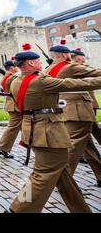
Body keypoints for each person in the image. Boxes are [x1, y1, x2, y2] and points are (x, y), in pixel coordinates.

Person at [7, 43, 101, 213]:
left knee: (63, 175)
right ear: (30, 64)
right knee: (41, 176)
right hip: (48, 134)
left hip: (33, 131)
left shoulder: (15, 81)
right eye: (38, 61)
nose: (41, 64)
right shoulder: (40, 81)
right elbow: (74, 84)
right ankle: (17, 208)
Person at [44, 40, 101, 185]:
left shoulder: (48, 69)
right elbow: (95, 73)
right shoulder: (70, 67)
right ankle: (62, 179)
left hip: (64, 110)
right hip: (79, 110)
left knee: (88, 145)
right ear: (65, 54)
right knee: (74, 146)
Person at [70, 48, 101, 187]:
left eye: (83, 61)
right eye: (79, 61)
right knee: (87, 142)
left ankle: (64, 179)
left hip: (87, 106)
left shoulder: (80, 69)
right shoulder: (70, 69)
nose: (82, 64)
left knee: (87, 141)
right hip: (78, 109)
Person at [0, 58, 21, 159]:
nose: (17, 69)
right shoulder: (12, 77)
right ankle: (2, 148)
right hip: (14, 105)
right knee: (13, 128)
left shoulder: (7, 77)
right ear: (11, 68)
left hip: (12, 104)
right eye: (15, 67)